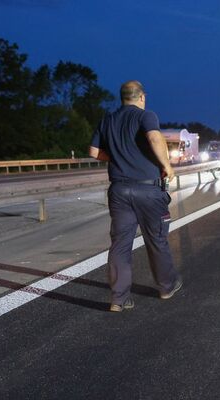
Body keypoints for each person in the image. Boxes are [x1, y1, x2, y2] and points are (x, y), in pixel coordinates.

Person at [89, 80, 182, 312]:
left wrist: (117, 157)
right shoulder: (146, 115)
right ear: (141, 97)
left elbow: (93, 151)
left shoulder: (107, 120)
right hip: (148, 190)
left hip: (119, 190)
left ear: (122, 98)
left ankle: (119, 299)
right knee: (156, 239)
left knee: (120, 244)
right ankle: (166, 286)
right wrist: (167, 166)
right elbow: (154, 138)